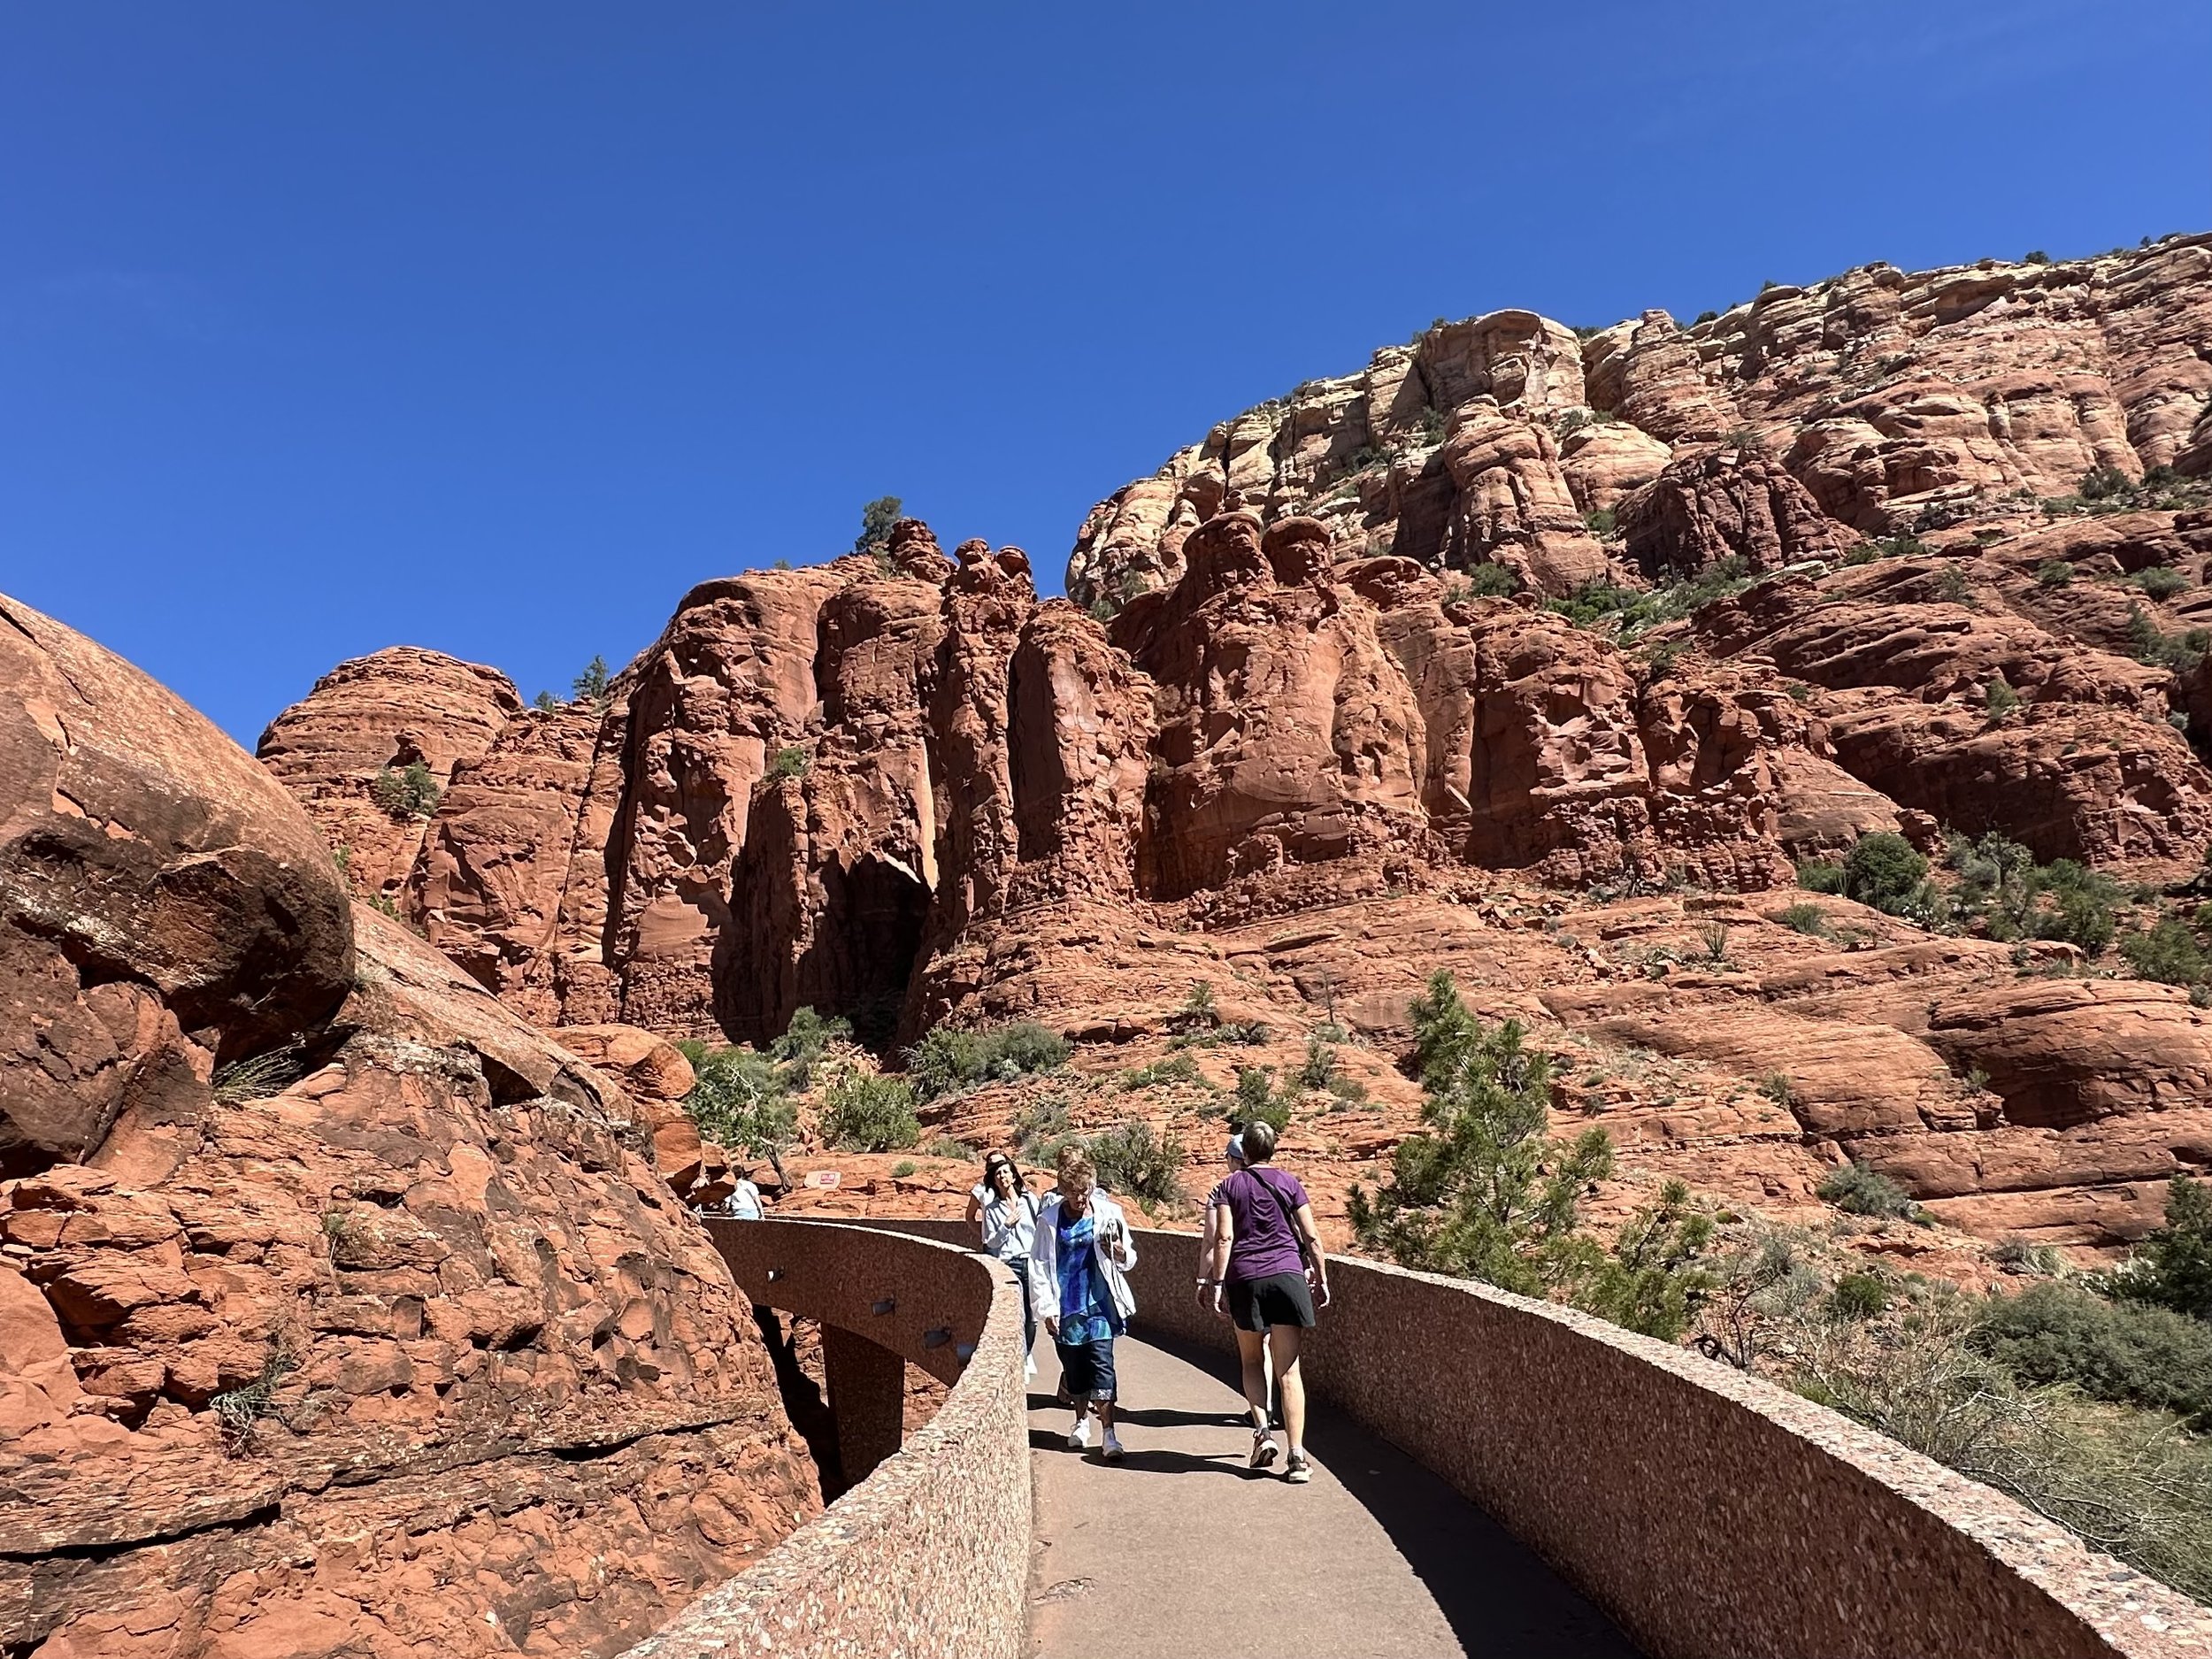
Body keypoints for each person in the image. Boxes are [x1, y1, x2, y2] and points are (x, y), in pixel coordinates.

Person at [1203, 1119, 1328, 1483]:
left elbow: (1224, 1237)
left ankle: (1263, 1433)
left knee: (1253, 1360)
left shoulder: (1229, 1185)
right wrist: (1321, 1277)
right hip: (1288, 1276)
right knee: (1289, 1370)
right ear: (1272, 1148)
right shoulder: (1289, 1183)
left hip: (1246, 1280)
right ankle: (1298, 1457)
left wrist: (1216, 1282)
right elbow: (1311, 1235)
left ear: (1244, 1152)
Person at [1030, 1148, 1138, 1463]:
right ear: (1063, 1191)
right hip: (1066, 1306)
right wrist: (1047, 1309)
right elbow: (1039, 1265)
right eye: (1074, 1192)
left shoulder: (1109, 1213)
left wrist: (1117, 1251)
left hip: (1100, 1304)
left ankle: (1109, 1434)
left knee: (1103, 1364)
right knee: (1074, 1368)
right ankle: (1080, 1422)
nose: (1081, 1198)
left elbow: (1128, 1258)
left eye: (1086, 1191)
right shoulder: (1049, 1221)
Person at [967, 1151, 1041, 1368]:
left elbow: (1040, 1230)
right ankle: (1016, 1361)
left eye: (1005, 1170)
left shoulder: (1029, 1201)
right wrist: (1006, 1225)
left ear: (1014, 1175)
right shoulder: (991, 1206)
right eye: (996, 1171)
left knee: (1032, 1315)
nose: (1001, 1175)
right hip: (1008, 1263)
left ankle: (1024, 1355)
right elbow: (990, 1240)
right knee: (1013, 1313)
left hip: (1031, 1261)